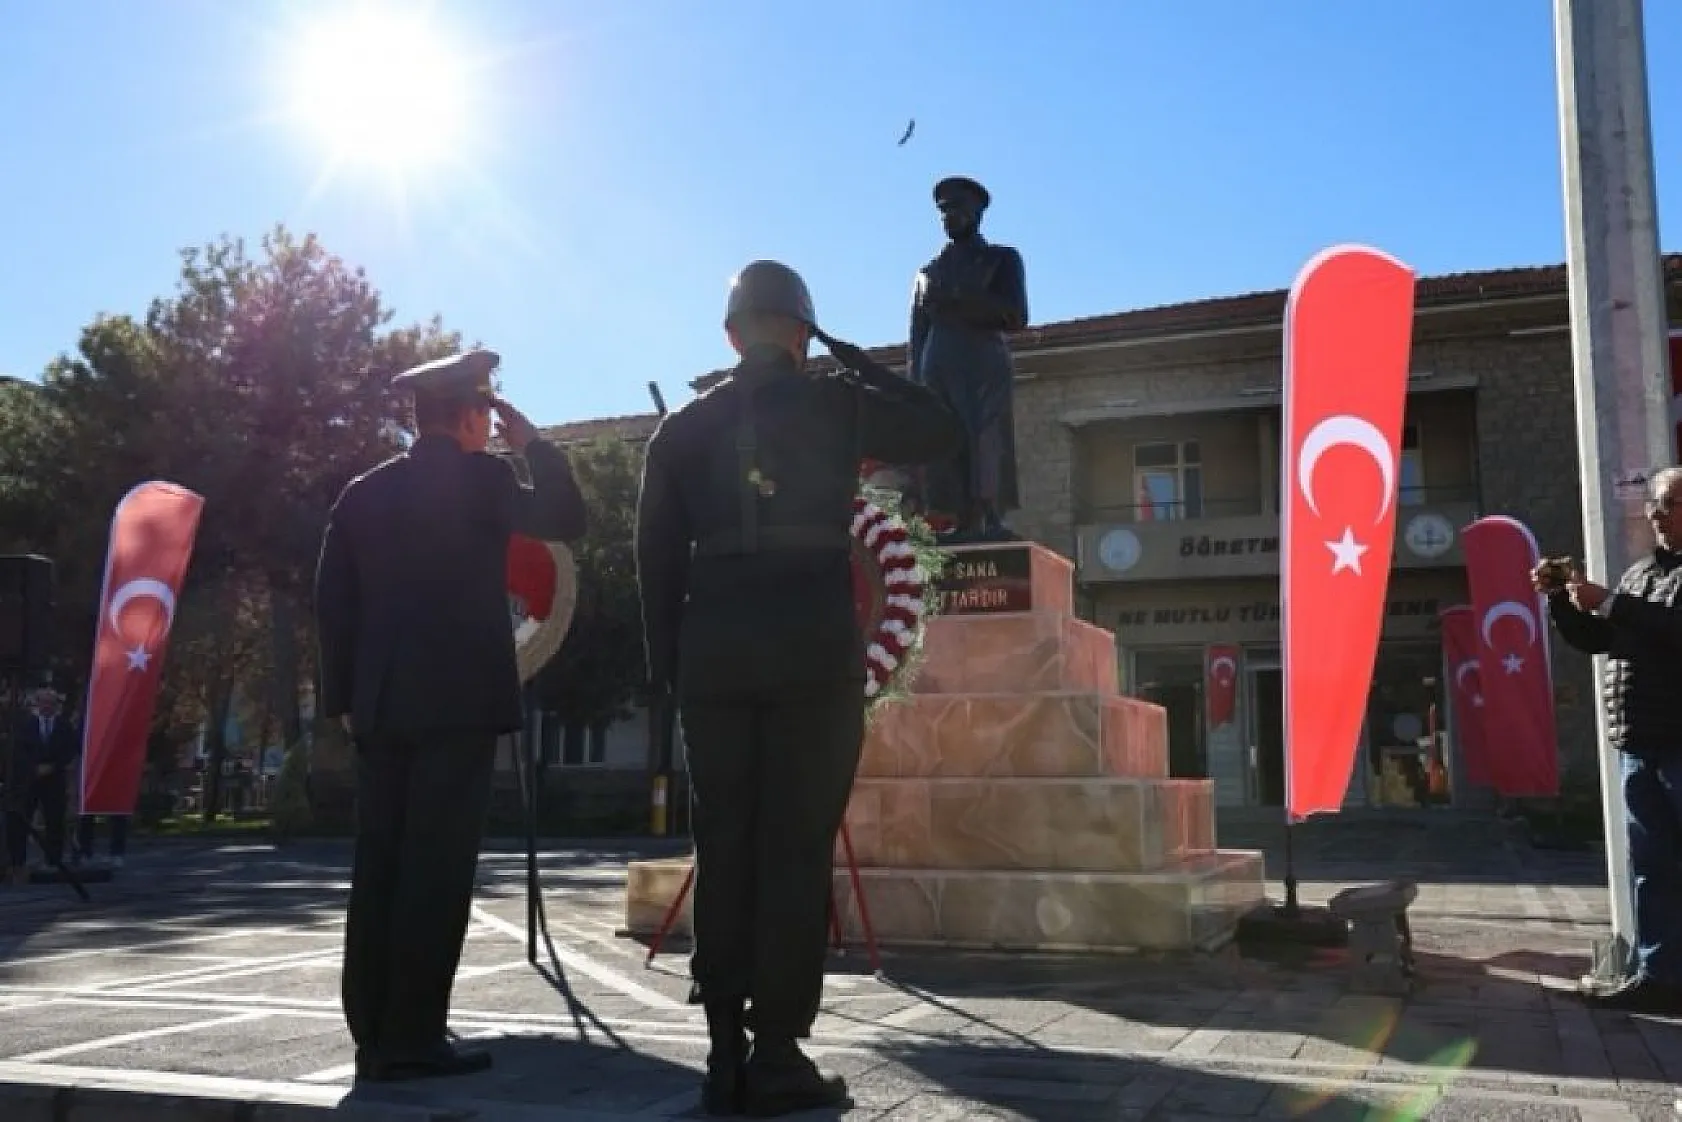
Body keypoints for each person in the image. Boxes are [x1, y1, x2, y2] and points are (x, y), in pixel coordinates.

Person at [636, 260, 962, 1116]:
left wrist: (672, 673)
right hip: (813, 656)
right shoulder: (835, 402)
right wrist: (856, 360)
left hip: (713, 659)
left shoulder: (679, 431)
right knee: (793, 850)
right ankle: (776, 1054)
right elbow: (942, 426)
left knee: (727, 844)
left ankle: (719, 1054)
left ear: (731, 334)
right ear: (800, 330)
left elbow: (655, 568)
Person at [315, 349, 586, 1081]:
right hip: (457, 706)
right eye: (487, 417)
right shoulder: (486, 479)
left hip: (381, 707)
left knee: (380, 867)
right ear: (471, 416)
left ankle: (373, 1030)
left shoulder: (362, 494)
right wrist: (532, 445)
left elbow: (333, 605)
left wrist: (342, 701)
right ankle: (413, 1036)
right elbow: (568, 517)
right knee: (435, 872)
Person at [1535, 465, 1682, 1012]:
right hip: (1640, 744)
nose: (1655, 514)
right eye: (1653, 505)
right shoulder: (1643, 573)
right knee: (1652, 866)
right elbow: (1603, 638)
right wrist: (1559, 601)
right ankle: (1660, 973)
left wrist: (1612, 603)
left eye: (1667, 503)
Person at [907, 175, 1029, 543]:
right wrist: (915, 387)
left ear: (977, 212)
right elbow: (917, 335)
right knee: (947, 441)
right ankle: (958, 516)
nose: (949, 217)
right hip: (937, 362)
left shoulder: (1001, 259)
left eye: (957, 208)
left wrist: (962, 300)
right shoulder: (927, 274)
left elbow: (1016, 314)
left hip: (982, 360)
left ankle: (987, 514)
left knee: (984, 436)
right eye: (943, 211)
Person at [5, 686, 77, 885]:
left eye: (50, 703)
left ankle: (53, 861)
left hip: (54, 780)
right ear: (37, 704)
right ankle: (18, 862)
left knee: (55, 820)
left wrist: (53, 766)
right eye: (43, 702)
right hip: (29, 781)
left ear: (56, 706)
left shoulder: (64, 726)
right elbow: (18, 751)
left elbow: (70, 749)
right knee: (21, 820)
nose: (46, 706)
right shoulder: (26, 724)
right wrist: (34, 768)